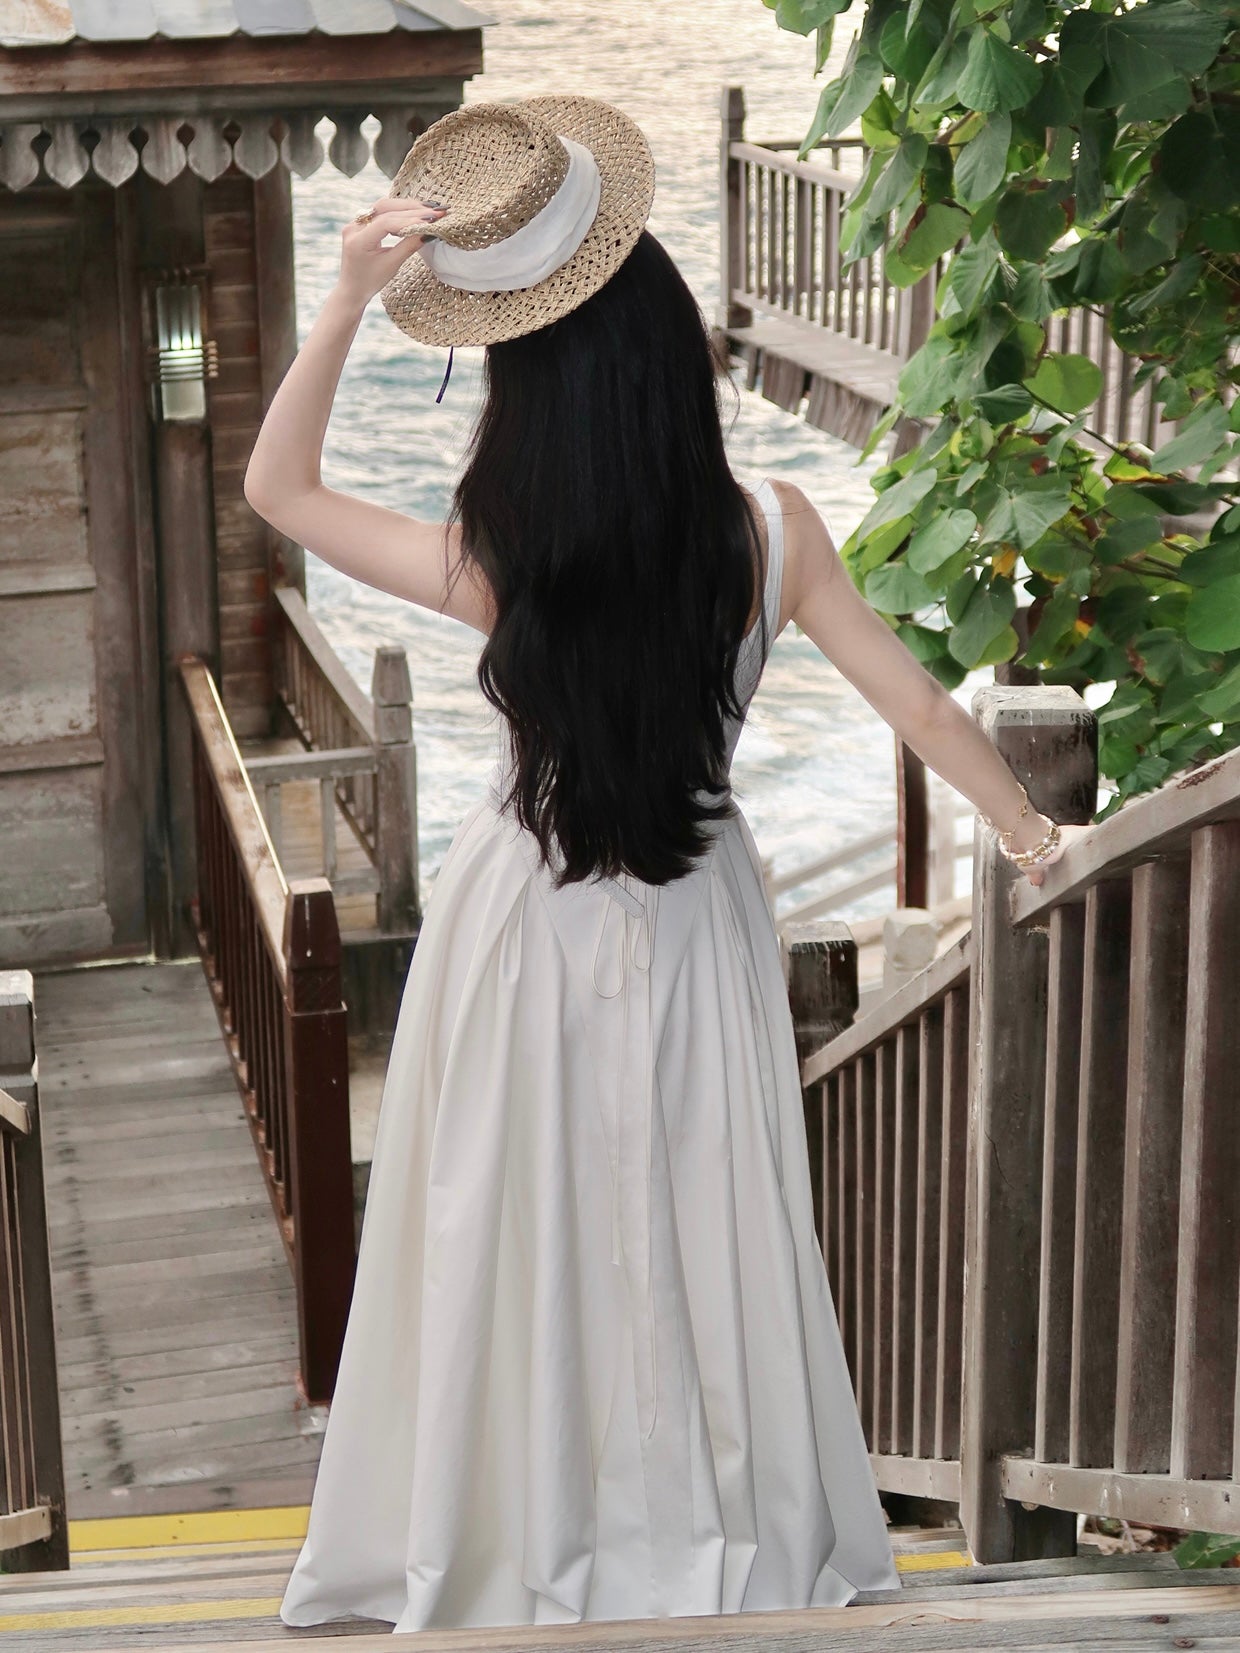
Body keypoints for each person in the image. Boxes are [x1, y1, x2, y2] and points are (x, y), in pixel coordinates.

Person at [244, 95, 1082, 1634]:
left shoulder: (504, 553)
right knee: (707, 1223)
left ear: (532, 386)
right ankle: (713, 1522)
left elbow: (279, 492)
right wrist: (1034, 836)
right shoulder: (774, 529)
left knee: (518, 1224)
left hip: (523, 916)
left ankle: (524, 1529)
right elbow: (914, 704)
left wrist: (349, 296)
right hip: (701, 910)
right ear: (666, 352)